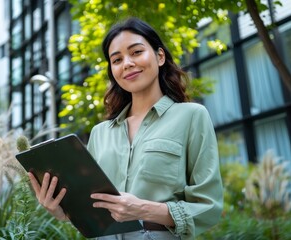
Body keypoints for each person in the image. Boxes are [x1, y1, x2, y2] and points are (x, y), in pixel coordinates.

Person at [28, 17, 223, 240]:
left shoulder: (191, 116)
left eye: (136, 52)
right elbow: (93, 209)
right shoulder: (100, 133)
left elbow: (209, 207)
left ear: (160, 56)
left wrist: (143, 209)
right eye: (117, 59)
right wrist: (61, 211)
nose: (127, 63)